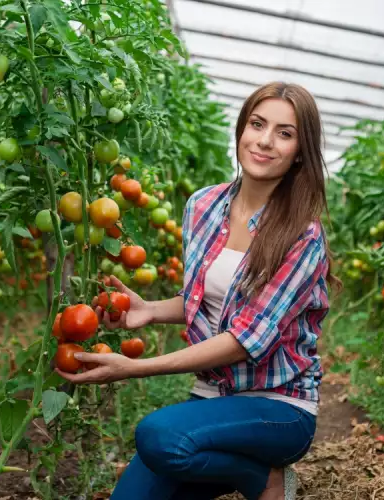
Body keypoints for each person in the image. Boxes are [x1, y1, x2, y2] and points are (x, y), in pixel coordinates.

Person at [56, 81, 340, 500]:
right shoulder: (203, 206)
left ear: (300, 150)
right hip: (214, 396)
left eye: (285, 132)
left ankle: (263, 479)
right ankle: (246, 471)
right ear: (241, 129)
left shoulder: (302, 236)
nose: (264, 141)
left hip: (279, 407)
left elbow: (245, 340)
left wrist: (134, 367)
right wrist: (150, 309)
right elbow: (209, 299)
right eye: (257, 124)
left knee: (158, 436)